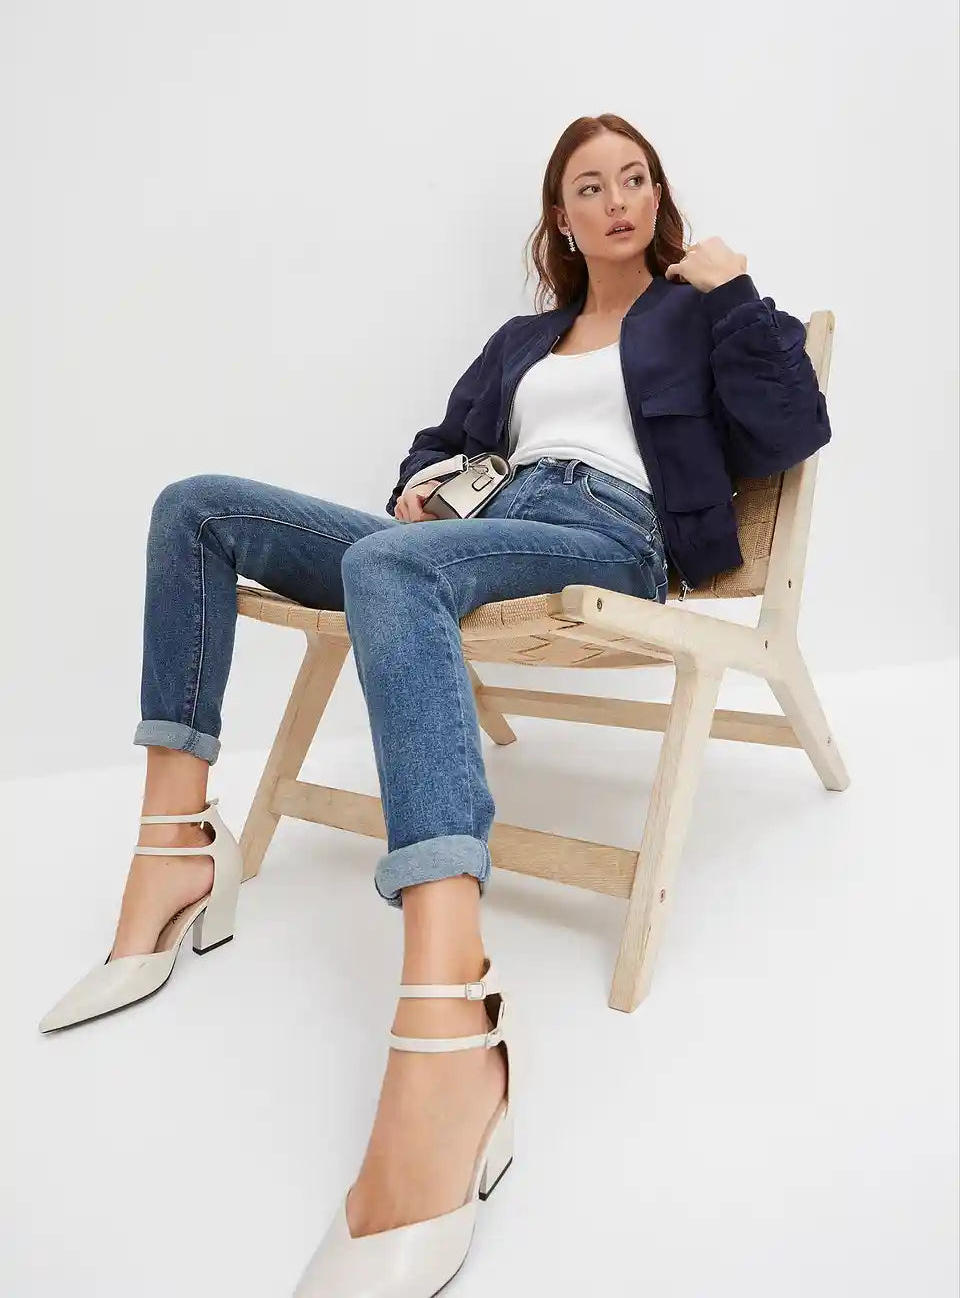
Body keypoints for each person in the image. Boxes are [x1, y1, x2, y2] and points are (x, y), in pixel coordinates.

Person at [37, 113, 832, 1297]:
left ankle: (453, 1021)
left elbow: (791, 431)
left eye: (635, 178)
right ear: (561, 218)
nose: (616, 199)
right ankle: (175, 850)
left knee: (387, 572)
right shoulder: (521, 340)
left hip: (609, 536)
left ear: (659, 198)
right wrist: (421, 489)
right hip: (479, 528)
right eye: (589, 186)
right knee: (194, 506)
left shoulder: (699, 311)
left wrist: (738, 294)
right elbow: (443, 444)